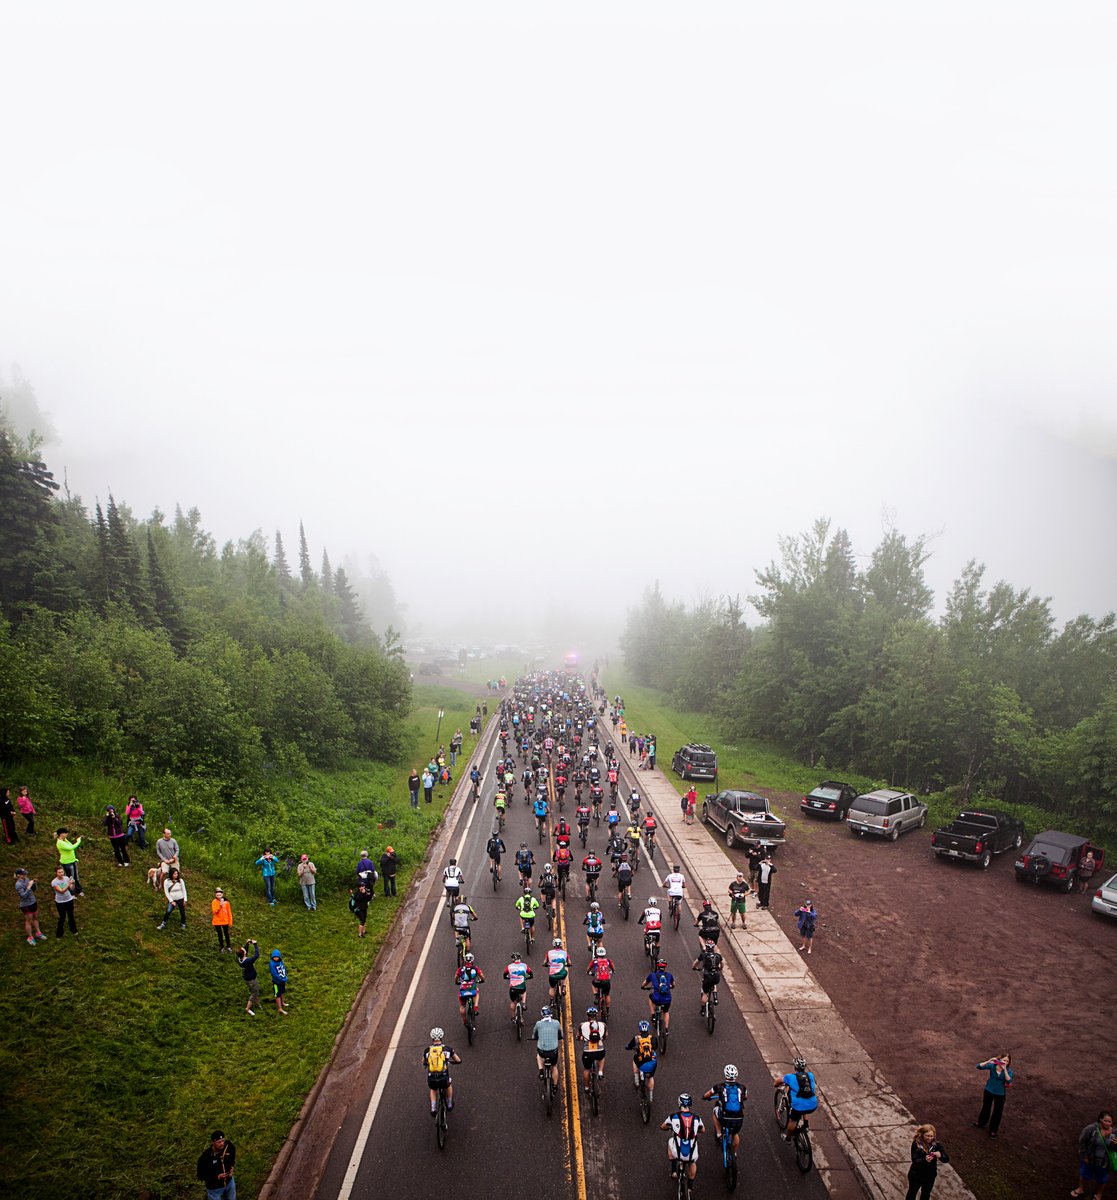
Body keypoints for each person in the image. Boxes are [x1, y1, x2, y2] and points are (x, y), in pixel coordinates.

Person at [1073, 1112, 1117, 1200]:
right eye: (1106, 1121)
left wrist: (1116, 1145)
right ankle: (1081, 1189)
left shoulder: (1115, 1133)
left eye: (1110, 1121)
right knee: (1084, 1174)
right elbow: (1082, 1141)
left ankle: (1099, 1194)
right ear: (1100, 1120)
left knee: (1102, 1179)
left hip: (1104, 1163)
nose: (1108, 1123)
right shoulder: (1091, 1129)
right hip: (1089, 1160)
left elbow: (1114, 1149)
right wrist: (1084, 1156)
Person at [704, 1064, 746, 1154]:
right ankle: (734, 1154)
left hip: (725, 1117)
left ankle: (719, 1133)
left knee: (715, 1110)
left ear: (725, 1074)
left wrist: (705, 1097)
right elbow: (745, 1097)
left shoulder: (719, 1086)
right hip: (739, 1118)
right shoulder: (742, 1087)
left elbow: (708, 1094)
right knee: (735, 1135)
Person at [662, 1094, 704, 1183]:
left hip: (677, 1153)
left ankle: (674, 1171)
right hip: (692, 1154)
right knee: (692, 1162)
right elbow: (703, 1130)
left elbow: (662, 1127)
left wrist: (670, 1127)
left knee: (670, 1141)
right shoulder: (697, 1118)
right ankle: (690, 1185)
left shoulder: (673, 1117)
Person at [775, 1056, 818, 1139]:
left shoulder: (790, 1077)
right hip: (813, 1104)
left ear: (795, 1067)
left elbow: (777, 1081)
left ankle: (788, 1138)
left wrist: (776, 1085)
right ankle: (806, 1125)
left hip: (798, 1107)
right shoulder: (810, 1075)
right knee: (804, 1099)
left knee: (793, 1121)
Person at [971, 1054, 1013, 1137]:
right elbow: (978, 1066)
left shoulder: (1009, 1071)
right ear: (1000, 1059)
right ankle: (981, 1123)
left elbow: (1009, 1080)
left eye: (1007, 1061)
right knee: (986, 1107)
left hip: (1000, 1093)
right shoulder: (993, 1066)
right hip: (989, 1090)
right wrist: (989, 1060)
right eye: (1004, 1060)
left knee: (997, 1112)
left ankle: (993, 1130)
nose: (1005, 1062)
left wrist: (1004, 1070)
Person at [905, 1123, 949, 1200]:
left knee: (925, 1194)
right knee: (912, 1193)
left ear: (934, 1135)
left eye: (931, 1136)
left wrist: (941, 1155)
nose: (929, 1138)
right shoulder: (916, 1144)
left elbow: (946, 1159)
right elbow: (915, 1160)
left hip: (930, 1176)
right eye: (927, 1136)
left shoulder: (937, 1145)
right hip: (916, 1174)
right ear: (922, 1135)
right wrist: (924, 1160)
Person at [424, 1028, 462, 1115]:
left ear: (432, 1038)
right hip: (443, 1077)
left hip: (432, 1078)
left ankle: (433, 1108)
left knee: (433, 1090)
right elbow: (458, 1059)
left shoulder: (427, 1050)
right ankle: (449, 1104)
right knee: (448, 1085)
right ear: (441, 1037)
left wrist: (426, 1064)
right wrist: (457, 1062)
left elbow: (423, 1062)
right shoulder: (447, 1049)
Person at [196, 1129, 237, 1200]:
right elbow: (200, 1175)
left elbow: (233, 1154)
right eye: (219, 1142)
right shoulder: (206, 1157)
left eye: (223, 1140)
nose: (222, 1144)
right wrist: (217, 1177)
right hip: (215, 1188)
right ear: (213, 1142)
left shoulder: (228, 1146)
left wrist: (232, 1167)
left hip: (229, 1182)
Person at [532, 1005, 564, 1090]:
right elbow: (561, 1035)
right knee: (554, 1066)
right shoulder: (556, 1023)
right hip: (553, 1051)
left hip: (542, 1051)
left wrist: (535, 1037)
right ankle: (555, 1085)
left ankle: (541, 1071)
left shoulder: (538, 1024)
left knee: (539, 1056)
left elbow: (534, 1035)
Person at [576, 1005, 607, 1091]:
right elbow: (605, 1036)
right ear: (596, 1015)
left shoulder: (582, 1025)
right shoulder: (602, 1024)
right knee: (602, 1057)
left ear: (587, 1015)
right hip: (599, 1051)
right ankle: (600, 1072)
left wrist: (580, 1038)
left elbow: (578, 1037)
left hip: (588, 1052)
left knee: (587, 1069)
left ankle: (586, 1087)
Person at [626, 1020, 657, 1098]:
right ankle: (651, 1096)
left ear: (639, 1029)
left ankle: (636, 1080)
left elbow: (629, 1046)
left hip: (640, 1060)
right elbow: (655, 1047)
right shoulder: (653, 1038)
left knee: (635, 1060)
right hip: (652, 1061)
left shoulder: (636, 1038)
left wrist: (628, 1047)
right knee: (650, 1077)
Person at [15, 868, 47, 945]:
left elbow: (34, 890)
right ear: (19, 875)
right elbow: (23, 896)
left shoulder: (27, 879)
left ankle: (38, 933)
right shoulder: (18, 884)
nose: (25, 875)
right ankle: (30, 937)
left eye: (25, 873)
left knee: (36, 917)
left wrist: (34, 884)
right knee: (28, 921)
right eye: (23, 874)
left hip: (33, 902)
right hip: (26, 905)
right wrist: (29, 886)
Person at [642, 957, 674, 1032]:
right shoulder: (669, 975)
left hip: (657, 999)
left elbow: (644, 984)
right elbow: (673, 984)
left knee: (650, 997)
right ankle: (666, 1029)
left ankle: (653, 1015)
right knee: (666, 1012)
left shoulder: (652, 975)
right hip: (667, 999)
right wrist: (671, 986)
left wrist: (643, 987)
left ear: (658, 966)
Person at [693, 940, 723, 1012]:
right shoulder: (718, 955)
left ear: (706, 947)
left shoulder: (703, 954)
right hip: (716, 976)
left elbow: (696, 962)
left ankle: (703, 1010)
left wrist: (694, 967)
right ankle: (715, 998)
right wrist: (720, 968)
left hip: (707, 976)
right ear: (713, 947)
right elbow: (722, 964)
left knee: (705, 993)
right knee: (714, 984)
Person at [455, 952, 485, 1024]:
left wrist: (457, 982)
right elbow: (482, 977)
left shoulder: (460, 969)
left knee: (462, 1006)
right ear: (472, 960)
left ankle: (464, 1020)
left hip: (463, 989)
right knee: (476, 992)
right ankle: (476, 1007)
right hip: (472, 988)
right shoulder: (475, 968)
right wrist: (481, 980)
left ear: (465, 960)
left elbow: (455, 977)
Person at [587, 944, 615, 1017]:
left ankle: (596, 995)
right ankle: (608, 1010)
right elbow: (613, 968)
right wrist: (613, 971)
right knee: (607, 995)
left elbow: (588, 969)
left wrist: (588, 972)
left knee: (593, 983)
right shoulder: (608, 961)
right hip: (606, 981)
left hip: (598, 981)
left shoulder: (595, 961)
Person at [504, 951, 533, 1020]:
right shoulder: (524, 965)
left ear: (513, 960)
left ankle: (513, 1016)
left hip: (512, 989)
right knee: (524, 991)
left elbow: (505, 975)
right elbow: (530, 973)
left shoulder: (509, 967)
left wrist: (507, 977)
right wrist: (529, 977)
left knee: (513, 1002)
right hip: (521, 987)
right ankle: (523, 1004)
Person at [55, 828, 84, 895]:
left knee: (76, 877)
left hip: (73, 861)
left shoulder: (65, 840)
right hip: (67, 863)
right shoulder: (60, 843)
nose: (67, 834)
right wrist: (78, 841)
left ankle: (79, 890)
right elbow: (71, 848)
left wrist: (74, 859)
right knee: (71, 878)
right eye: (66, 833)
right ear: (61, 834)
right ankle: (72, 893)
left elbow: (70, 847)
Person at [236, 939, 261, 1015]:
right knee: (254, 993)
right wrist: (255, 944)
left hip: (247, 978)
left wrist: (247, 944)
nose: (244, 948)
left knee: (253, 990)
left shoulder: (240, 959)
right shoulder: (248, 961)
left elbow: (244, 951)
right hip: (251, 979)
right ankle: (248, 1008)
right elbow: (257, 955)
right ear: (244, 954)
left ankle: (256, 1002)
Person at [51, 866, 78, 937]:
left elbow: (71, 888)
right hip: (60, 902)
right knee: (62, 917)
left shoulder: (66, 878)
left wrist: (72, 883)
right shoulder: (54, 882)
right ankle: (59, 934)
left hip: (69, 899)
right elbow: (61, 891)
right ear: (56, 873)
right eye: (59, 872)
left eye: (62, 872)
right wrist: (68, 884)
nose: (61, 873)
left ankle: (73, 930)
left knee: (71, 916)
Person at [268, 947, 289, 1014]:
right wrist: (282, 979)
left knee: (282, 992)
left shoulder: (280, 961)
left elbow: (283, 969)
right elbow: (274, 974)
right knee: (277, 994)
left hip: (282, 981)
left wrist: (285, 976)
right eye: (274, 957)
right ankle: (279, 1008)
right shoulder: (272, 964)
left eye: (277, 957)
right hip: (276, 983)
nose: (276, 958)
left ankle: (282, 1003)